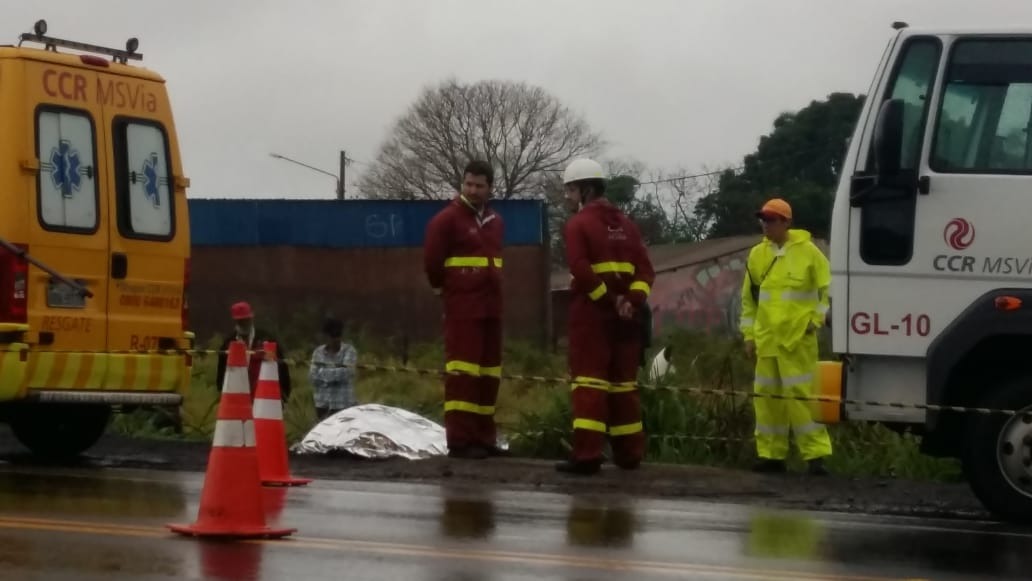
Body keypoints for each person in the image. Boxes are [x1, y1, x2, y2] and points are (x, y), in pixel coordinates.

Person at [556, 158, 655, 475]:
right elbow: (645, 272)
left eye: (570, 190)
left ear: (584, 189)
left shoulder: (578, 225)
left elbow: (580, 269)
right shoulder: (627, 225)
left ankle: (587, 455)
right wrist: (632, 301)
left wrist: (609, 301)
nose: (568, 197)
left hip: (592, 318)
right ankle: (629, 454)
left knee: (589, 385)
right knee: (624, 387)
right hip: (628, 322)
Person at [739, 198, 832, 475]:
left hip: (797, 341)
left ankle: (815, 458)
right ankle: (771, 456)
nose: (765, 225)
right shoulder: (757, 255)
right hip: (767, 341)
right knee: (767, 400)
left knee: (803, 399)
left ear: (787, 222)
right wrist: (748, 336)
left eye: (771, 220)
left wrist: (815, 321)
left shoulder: (809, 252)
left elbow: (828, 290)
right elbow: (749, 300)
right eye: (763, 220)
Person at [423, 160, 506, 459]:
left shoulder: (496, 221)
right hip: (462, 306)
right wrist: (442, 290)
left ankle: (485, 438)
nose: (472, 190)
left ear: (490, 188)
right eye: (468, 184)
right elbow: (432, 262)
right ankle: (460, 440)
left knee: (488, 373)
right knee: (463, 373)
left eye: (479, 185)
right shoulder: (446, 220)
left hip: (491, 306)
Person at [215, 301, 291, 402]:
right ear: (236, 321)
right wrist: (224, 393)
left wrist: (284, 395)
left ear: (251, 318)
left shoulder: (267, 339)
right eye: (241, 321)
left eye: (246, 320)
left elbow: (282, 368)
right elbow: (222, 372)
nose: (244, 323)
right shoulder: (228, 343)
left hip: (264, 396)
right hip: (237, 396)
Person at [308, 317, 358, 420]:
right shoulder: (318, 352)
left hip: (343, 404)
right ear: (326, 336)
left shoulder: (349, 351)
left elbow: (347, 372)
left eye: (337, 335)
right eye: (332, 336)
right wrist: (335, 374)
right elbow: (312, 376)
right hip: (322, 403)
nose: (335, 339)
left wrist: (322, 373)